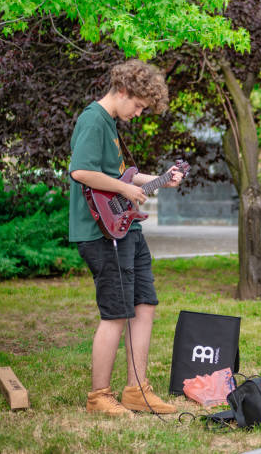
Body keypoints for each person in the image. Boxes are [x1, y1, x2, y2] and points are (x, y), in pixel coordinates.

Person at [69, 60, 184, 416]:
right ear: (122, 91)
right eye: (137, 106)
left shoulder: (111, 125)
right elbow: (81, 171)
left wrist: (159, 177)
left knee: (144, 305)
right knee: (116, 313)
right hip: (100, 232)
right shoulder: (93, 119)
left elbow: (121, 175)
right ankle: (98, 396)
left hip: (126, 227)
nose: (137, 113)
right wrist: (125, 188)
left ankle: (136, 389)